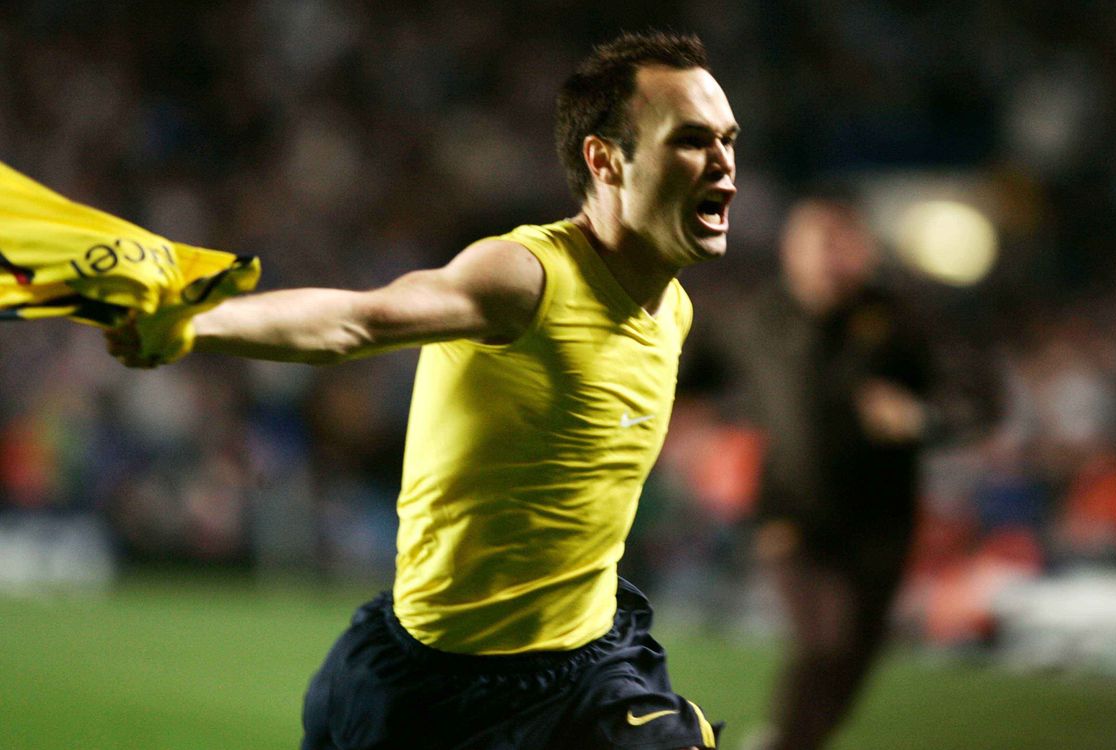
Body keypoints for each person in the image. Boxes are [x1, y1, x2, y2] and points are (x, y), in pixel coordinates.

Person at [107, 30, 735, 750]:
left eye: (728, 139)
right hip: (437, 687)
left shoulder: (674, 306)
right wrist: (196, 323)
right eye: (692, 140)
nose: (724, 164)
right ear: (605, 160)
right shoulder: (526, 278)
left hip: (590, 669)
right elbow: (355, 319)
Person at [694, 194, 990, 750]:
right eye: (819, 240)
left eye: (844, 240)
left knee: (854, 656)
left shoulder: (902, 321)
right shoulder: (756, 320)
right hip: (792, 513)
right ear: (790, 249)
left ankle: (790, 740)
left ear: (866, 250)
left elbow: (980, 399)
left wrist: (922, 417)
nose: (832, 255)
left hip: (882, 521)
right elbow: (682, 374)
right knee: (824, 640)